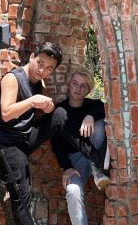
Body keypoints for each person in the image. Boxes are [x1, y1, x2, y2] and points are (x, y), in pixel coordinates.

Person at [0, 43, 108, 225]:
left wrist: (46, 108)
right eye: (40, 63)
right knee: (22, 196)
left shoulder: (37, 83)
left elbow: (101, 108)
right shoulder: (13, 78)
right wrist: (33, 101)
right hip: (3, 142)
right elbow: (6, 113)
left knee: (58, 114)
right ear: (32, 56)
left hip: (23, 138)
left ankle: (96, 159)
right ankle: (97, 159)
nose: (42, 70)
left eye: (49, 68)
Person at [51, 67, 110, 225]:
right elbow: (55, 144)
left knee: (99, 124)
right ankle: (96, 168)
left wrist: (90, 115)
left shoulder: (93, 105)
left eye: (83, 86)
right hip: (77, 162)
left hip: (94, 152)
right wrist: (67, 167)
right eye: (75, 83)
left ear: (89, 90)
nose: (78, 88)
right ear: (68, 85)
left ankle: (97, 169)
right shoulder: (60, 110)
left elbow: (107, 108)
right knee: (72, 191)